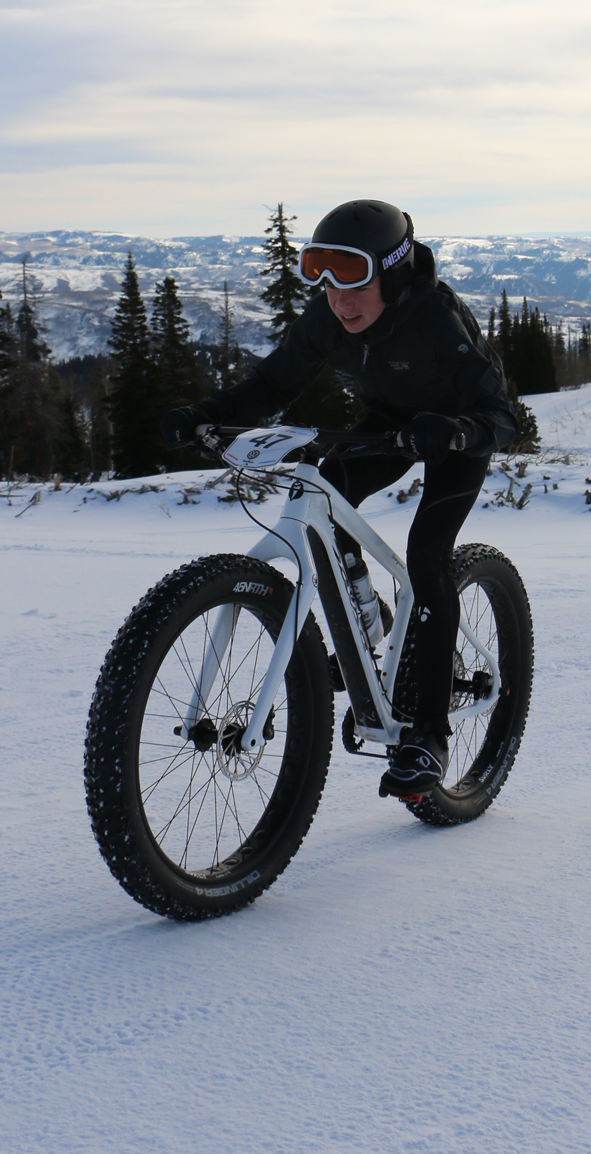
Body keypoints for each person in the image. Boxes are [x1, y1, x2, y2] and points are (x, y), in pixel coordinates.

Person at [161, 199, 517, 801]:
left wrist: (455, 431)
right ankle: (369, 617)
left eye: (353, 279)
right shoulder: (329, 317)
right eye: (322, 277)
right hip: (385, 424)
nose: (337, 298)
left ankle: (427, 735)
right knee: (324, 496)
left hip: (453, 434)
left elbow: (500, 416)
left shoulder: (437, 318)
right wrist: (206, 417)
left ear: (395, 273)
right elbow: (273, 384)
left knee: (427, 554)